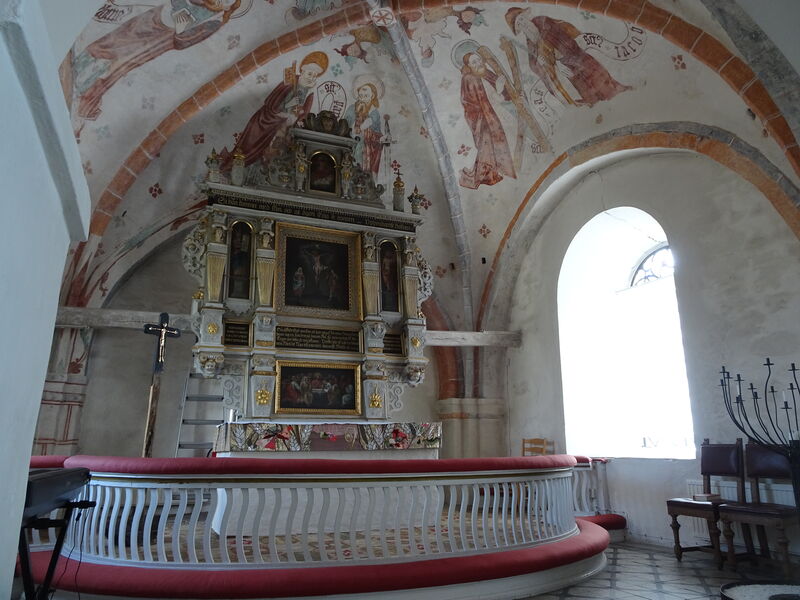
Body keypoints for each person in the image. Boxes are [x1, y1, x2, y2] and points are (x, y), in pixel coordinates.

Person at [73, 0, 240, 122]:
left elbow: (185, 41)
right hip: (151, 19)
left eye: (228, 1)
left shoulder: (214, 22)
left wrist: (181, 29)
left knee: (122, 63)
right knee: (112, 40)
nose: (222, 1)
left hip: (159, 40)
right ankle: (79, 65)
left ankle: (88, 98)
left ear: (230, 7)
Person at [505, 8, 631, 107]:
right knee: (582, 85)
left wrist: (555, 59)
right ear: (519, 29)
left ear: (526, 16)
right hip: (564, 66)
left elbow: (559, 36)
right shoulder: (530, 43)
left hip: (573, 54)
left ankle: (615, 93)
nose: (523, 24)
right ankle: (596, 104)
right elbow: (533, 64)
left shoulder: (543, 22)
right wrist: (541, 62)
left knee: (595, 74)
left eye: (522, 19)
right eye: (519, 24)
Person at [224, 51, 329, 168]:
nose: (311, 78)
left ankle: (266, 166)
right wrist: (289, 104)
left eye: (315, 76)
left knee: (279, 148)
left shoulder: (310, 91)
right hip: (268, 119)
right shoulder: (290, 82)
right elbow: (271, 103)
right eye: (310, 74)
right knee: (250, 145)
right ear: (303, 71)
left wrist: (300, 118)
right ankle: (236, 166)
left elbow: (306, 112)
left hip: (287, 124)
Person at [459, 52, 516, 189]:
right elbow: (475, 102)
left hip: (495, 114)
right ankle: (488, 174)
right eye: (474, 62)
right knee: (487, 145)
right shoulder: (469, 79)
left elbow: (504, 95)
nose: (478, 63)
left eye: (479, 60)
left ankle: (496, 171)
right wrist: (498, 90)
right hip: (482, 118)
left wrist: (503, 91)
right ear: (468, 66)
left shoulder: (487, 73)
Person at [343, 82, 384, 176]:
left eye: (366, 96)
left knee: (362, 168)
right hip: (352, 143)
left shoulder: (374, 112)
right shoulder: (352, 108)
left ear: (372, 96)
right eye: (360, 96)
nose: (362, 99)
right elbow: (345, 125)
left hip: (367, 147)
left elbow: (369, 127)